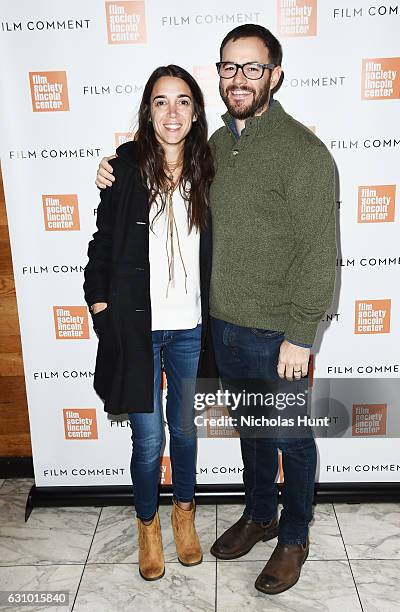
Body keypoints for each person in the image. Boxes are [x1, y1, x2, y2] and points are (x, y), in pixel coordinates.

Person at [95, 24, 337, 595]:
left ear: (275, 75)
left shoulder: (304, 153)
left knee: (292, 439)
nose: (239, 79)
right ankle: (259, 513)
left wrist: (300, 336)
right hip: (219, 327)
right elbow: (153, 160)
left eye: (253, 68)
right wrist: (113, 165)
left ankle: (294, 536)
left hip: (279, 333)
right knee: (253, 432)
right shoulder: (216, 148)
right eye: (229, 68)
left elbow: (319, 255)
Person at [84, 65, 215, 582]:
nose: (172, 112)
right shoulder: (124, 168)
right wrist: (99, 306)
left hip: (190, 327)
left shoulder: (211, 167)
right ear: (148, 110)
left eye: (183, 101)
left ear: (196, 111)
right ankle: (147, 526)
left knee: (183, 431)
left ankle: (184, 516)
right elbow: (101, 245)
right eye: (161, 102)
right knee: (147, 439)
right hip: (137, 329)